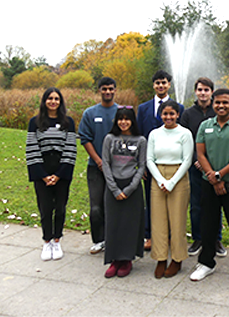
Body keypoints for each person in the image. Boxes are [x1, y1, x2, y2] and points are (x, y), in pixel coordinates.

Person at [189, 88, 229, 290]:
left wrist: (220, 175)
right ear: (212, 104)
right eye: (217, 102)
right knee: (207, 225)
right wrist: (213, 178)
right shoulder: (205, 126)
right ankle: (206, 263)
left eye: (225, 102)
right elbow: (200, 154)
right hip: (209, 185)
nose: (221, 106)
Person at [26, 87, 77, 261]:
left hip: (61, 168)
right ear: (45, 101)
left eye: (56, 99)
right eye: (50, 98)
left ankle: (57, 240)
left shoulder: (68, 122)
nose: (53, 102)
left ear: (60, 102)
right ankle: (47, 241)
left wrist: (60, 174)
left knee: (60, 208)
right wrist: (42, 175)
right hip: (42, 168)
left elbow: (71, 149)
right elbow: (31, 148)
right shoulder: (35, 122)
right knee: (45, 208)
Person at [137, 70, 184, 251]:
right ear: (154, 85)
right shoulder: (143, 108)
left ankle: (172, 235)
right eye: (157, 83)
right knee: (151, 199)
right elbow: (140, 137)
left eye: (164, 82)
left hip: (173, 163)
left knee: (173, 200)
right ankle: (149, 234)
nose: (161, 86)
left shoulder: (179, 107)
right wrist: (141, 165)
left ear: (169, 84)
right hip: (150, 164)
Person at [179, 77, 227, 258]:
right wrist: (194, 160)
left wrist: (212, 162)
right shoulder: (188, 114)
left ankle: (216, 239)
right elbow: (183, 140)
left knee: (216, 202)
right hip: (194, 166)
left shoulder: (219, 113)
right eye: (200, 89)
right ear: (195, 92)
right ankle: (198, 238)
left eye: (206, 90)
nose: (203, 93)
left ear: (211, 93)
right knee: (197, 204)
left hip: (215, 167)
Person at [147, 100, 193, 278]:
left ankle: (177, 259)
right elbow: (149, 159)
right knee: (158, 221)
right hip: (158, 177)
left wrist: (172, 182)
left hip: (178, 177)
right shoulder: (154, 134)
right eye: (165, 114)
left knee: (177, 220)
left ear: (178, 115)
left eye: (171, 114)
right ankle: (160, 258)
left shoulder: (185, 133)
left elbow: (187, 160)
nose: (168, 117)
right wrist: (160, 180)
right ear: (160, 115)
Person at [101, 107, 146, 278]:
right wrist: (114, 188)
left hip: (132, 188)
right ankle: (114, 260)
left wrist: (129, 189)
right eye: (120, 119)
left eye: (127, 119)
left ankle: (126, 259)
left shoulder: (140, 140)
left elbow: (141, 166)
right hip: (113, 186)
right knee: (114, 223)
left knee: (129, 224)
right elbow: (105, 163)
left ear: (132, 121)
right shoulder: (109, 139)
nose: (123, 122)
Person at [78, 77, 119, 255]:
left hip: (117, 168)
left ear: (115, 90)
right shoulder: (90, 113)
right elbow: (85, 139)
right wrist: (98, 160)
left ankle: (114, 239)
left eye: (111, 89)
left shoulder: (122, 112)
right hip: (95, 167)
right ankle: (98, 239)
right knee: (96, 207)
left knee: (115, 205)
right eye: (104, 89)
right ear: (99, 90)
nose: (108, 92)